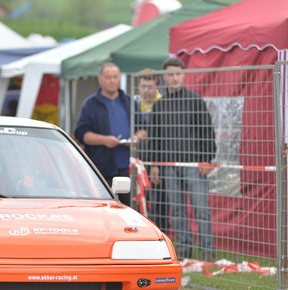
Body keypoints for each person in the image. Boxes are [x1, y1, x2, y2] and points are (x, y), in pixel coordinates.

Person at [147, 57, 216, 260]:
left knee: (201, 209)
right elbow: (155, 138)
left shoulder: (195, 101)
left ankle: (208, 252)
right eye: (171, 74)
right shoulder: (160, 105)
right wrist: (155, 165)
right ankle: (185, 251)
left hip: (194, 165)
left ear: (183, 76)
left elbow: (207, 131)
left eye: (178, 74)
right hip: (168, 166)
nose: (175, 78)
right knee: (177, 210)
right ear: (164, 77)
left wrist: (207, 159)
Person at [74, 62, 133, 205]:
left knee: (129, 208)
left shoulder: (129, 102)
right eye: (108, 77)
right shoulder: (91, 104)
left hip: (128, 167)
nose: (112, 81)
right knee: (104, 206)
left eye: (115, 77)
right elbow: (82, 134)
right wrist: (104, 140)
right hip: (102, 168)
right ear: (100, 79)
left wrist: (136, 137)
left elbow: (144, 128)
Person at [133, 70, 167, 232]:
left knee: (158, 198)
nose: (146, 90)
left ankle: (160, 231)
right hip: (139, 157)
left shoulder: (163, 103)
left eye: (150, 87)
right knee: (140, 196)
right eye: (143, 86)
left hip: (158, 157)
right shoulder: (135, 104)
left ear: (157, 87)